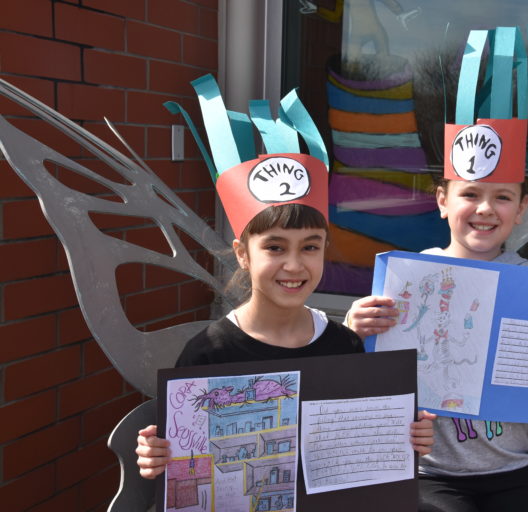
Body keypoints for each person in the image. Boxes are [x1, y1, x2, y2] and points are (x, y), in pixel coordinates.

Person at [344, 26, 528, 512]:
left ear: (521, 209)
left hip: (512, 470)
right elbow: (362, 385)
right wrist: (354, 333)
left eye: (502, 197)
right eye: (470, 194)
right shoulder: (407, 283)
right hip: (427, 473)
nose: (484, 209)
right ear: (442, 201)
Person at [136, 77, 435, 480]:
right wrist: (157, 457)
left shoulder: (344, 345)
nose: (294, 265)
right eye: (275, 248)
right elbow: (183, 461)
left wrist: (407, 437)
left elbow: (361, 446)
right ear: (243, 254)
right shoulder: (208, 354)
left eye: (310, 247)